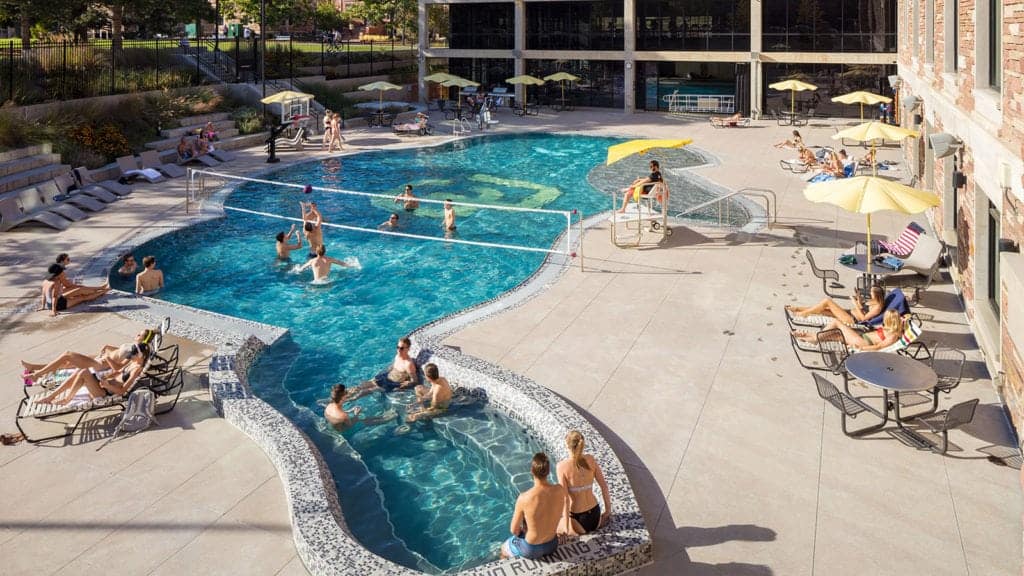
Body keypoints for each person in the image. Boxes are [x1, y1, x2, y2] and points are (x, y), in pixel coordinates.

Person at [22, 329, 157, 383]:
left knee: (67, 355)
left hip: (99, 365)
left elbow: (118, 368)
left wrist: (109, 358)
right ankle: (35, 368)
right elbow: (119, 352)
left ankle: (37, 374)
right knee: (68, 363)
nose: (136, 334)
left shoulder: (135, 352)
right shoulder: (133, 346)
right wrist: (109, 348)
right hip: (100, 359)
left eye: (140, 335)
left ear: (144, 340)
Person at [500, 453, 568, 560]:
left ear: (532, 471)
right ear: (548, 471)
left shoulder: (524, 498)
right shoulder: (559, 490)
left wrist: (523, 532)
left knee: (504, 548)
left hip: (531, 549)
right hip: (552, 545)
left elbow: (514, 530)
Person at [38, 342, 150, 405]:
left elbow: (123, 391)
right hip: (104, 384)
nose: (129, 356)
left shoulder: (136, 369)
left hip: (105, 392)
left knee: (83, 372)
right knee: (80, 372)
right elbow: (118, 372)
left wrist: (107, 385)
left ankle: (66, 399)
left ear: (140, 356)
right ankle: (51, 396)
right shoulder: (132, 362)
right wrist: (105, 377)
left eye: (132, 355)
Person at [556, 430, 612, 535]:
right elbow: (604, 486)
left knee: (551, 524)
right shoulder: (590, 459)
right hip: (595, 516)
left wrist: (565, 529)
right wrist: (608, 511)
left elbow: (565, 500)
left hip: (579, 520)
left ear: (567, 446)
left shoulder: (562, 467)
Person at [792, 309, 905, 351]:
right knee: (836, 334)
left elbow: (878, 347)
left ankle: (814, 337)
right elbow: (903, 319)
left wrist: (861, 348)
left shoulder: (893, 335)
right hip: (861, 338)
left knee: (836, 323)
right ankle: (813, 338)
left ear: (890, 320)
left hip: (863, 342)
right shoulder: (892, 328)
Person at [348, 337, 420, 399]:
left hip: (393, 384)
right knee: (363, 385)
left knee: (369, 390)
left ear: (408, 349)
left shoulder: (408, 364)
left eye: (401, 348)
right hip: (386, 376)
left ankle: (351, 400)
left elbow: (415, 381)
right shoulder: (397, 356)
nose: (398, 350)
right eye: (397, 347)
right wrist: (382, 373)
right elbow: (391, 367)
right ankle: (345, 394)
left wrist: (408, 383)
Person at [786, 285, 887, 326]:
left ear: (877, 295)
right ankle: (798, 309)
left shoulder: (878, 307)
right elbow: (862, 308)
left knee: (827, 301)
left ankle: (804, 313)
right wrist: (859, 299)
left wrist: (855, 303)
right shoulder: (874, 301)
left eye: (872, 292)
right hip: (848, 313)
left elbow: (864, 318)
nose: (870, 293)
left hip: (852, 320)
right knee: (823, 309)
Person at [40, 264, 108, 316]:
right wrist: (53, 311)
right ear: (59, 274)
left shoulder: (45, 281)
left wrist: (43, 306)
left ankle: (101, 287)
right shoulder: (56, 283)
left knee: (79, 290)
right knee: (83, 297)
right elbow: (54, 297)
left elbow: (43, 295)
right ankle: (104, 290)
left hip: (51, 303)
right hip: (59, 305)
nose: (64, 272)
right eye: (62, 271)